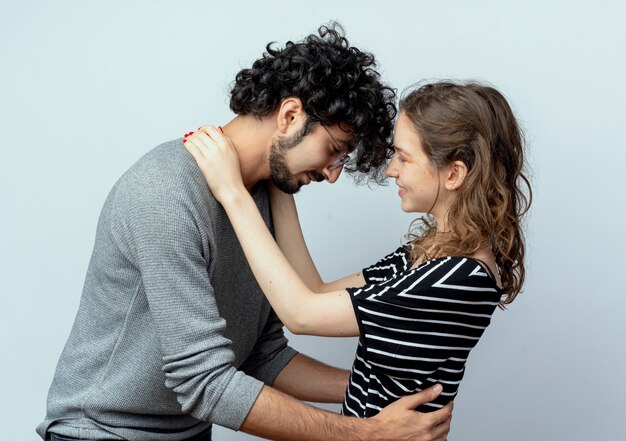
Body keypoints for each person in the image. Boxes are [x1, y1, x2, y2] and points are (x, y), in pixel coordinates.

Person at [37, 24, 452, 441]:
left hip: (184, 434)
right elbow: (204, 384)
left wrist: (384, 393)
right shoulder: (164, 194)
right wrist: (367, 434)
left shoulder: (260, 200)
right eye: (334, 150)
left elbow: (260, 356)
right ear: (290, 116)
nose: (331, 175)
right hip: (99, 433)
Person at [183, 80, 531, 418]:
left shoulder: (457, 278)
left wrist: (232, 192)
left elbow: (301, 313)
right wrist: (280, 169)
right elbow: (313, 289)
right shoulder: (424, 256)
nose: (391, 170)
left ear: (454, 174)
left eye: (403, 157)